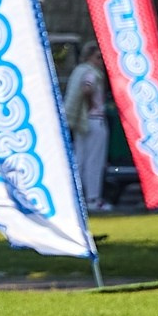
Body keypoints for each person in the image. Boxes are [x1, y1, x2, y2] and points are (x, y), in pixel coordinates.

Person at [63, 41, 112, 214]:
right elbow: (87, 88)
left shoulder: (79, 70)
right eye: (98, 57)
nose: (101, 61)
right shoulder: (92, 73)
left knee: (80, 159)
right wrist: (92, 105)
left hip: (80, 120)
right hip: (94, 119)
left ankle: (77, 195)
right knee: (94, 161)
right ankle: (93, 198)